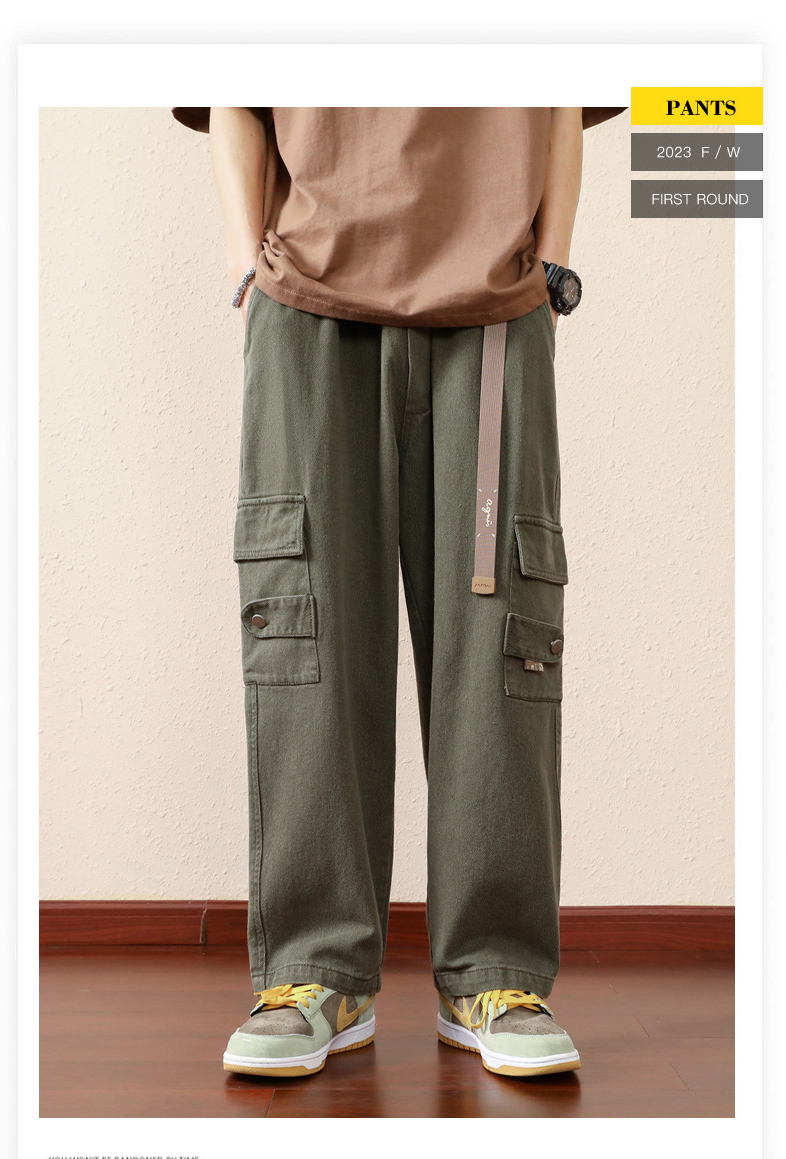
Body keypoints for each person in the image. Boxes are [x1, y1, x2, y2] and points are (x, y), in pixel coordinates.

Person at [172, 105, 625, 1080]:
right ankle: (313, 971)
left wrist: (552, 267)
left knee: (500, 638)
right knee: (308, 632)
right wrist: (246, 269)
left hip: (493, 308)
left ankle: (495, 974)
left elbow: (563, 87)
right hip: (306, 304)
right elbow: (231, 91)